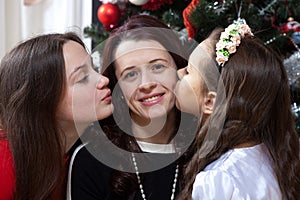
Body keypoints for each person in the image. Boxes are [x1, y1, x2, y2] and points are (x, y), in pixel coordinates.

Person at [68, 15, 198, 200]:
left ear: (179, 70)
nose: (146, 84)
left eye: (158, 67)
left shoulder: (207, 149)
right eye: (131, 74)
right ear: (118, 88)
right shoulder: (91, 159)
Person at [174, 19, 300, 199]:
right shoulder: (276, 156)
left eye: (188, 71)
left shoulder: (219, 180)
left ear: (210, 103)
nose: (179, 72)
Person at [0, 32, 113, 200]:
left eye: (94, 68)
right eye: (82, 78)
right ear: (44, 99)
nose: (103, 79)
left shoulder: (82, 159)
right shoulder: (5, 163)